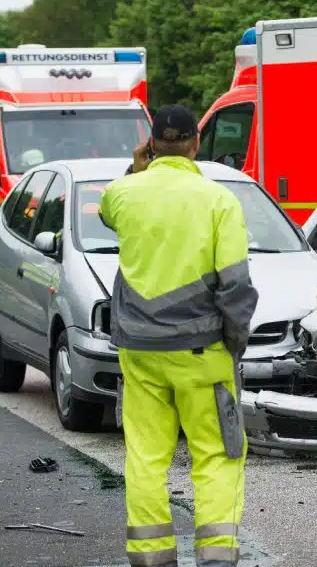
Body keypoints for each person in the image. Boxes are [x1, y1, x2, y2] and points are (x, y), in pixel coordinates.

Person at [99, 104, 259, 567]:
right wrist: (235, 341)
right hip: (203, 352)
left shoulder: (123, 193)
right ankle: (215, 556)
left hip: (140, 352)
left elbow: (112, 210)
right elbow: (235, 286)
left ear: (151, 144)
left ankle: (151, 556)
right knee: (217, 457)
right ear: (195, 144)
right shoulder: (219, 201)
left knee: (146, 456)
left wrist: (136, 168)